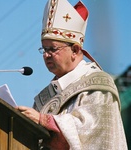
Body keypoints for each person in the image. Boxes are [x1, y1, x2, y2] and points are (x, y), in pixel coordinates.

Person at [16, 0, 128, 149]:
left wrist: (45, 120)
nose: (46, 55)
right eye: (44, 49)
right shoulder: (46, 96)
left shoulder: (98, 85)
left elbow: (91, 134)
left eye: (53, 49)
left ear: (75, 50)